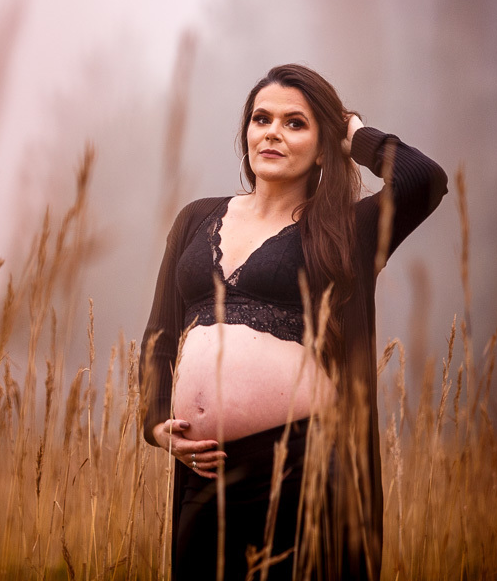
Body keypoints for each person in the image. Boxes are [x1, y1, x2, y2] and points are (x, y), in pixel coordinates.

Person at [140, 64, 446, 580]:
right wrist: (155, 424)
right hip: (204, 471)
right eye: (261, 119)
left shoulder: (346, 230)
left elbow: (424, 180)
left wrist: (355, 135)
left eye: (295, 123)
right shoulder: (196, 219)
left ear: (323, 147)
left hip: (302, 467)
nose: (272, 132)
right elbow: (160, 338)